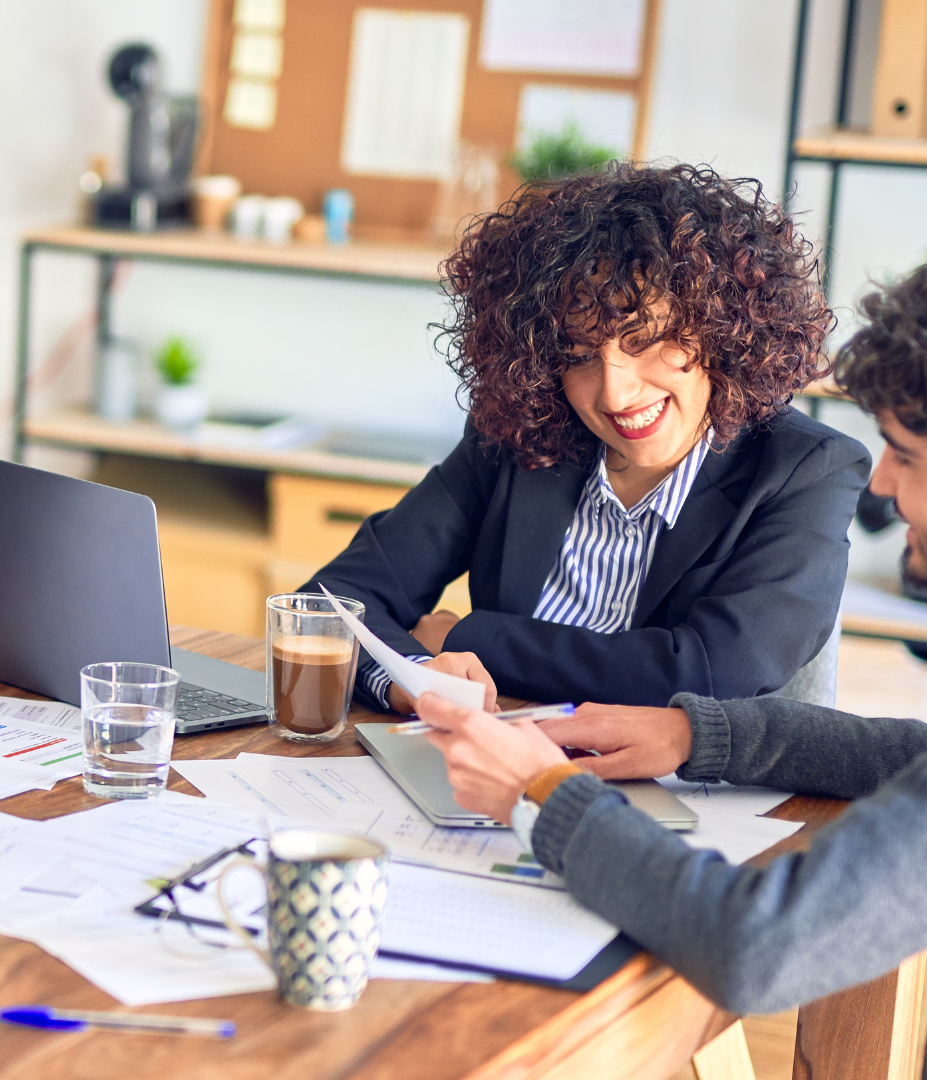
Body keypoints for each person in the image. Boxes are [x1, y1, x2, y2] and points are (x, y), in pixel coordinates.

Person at [415, 264, 927, 1015]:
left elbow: (755, 945)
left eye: (907, 454)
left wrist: (541, 793)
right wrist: (703, 734)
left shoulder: (799, 467)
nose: (883, 485)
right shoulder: (525, 441)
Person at [305, 164, 867, 714]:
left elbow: (711, 675)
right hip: (489, 769)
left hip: (679, 799)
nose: (616, 393)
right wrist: (412, 675)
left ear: (723, 327)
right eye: (577, 357)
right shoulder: (519, 434)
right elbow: (330, 602)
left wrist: (470, 638)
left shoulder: (809, 469)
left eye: (644, 339)